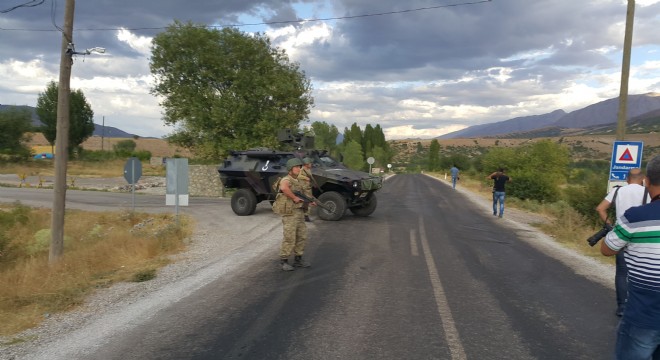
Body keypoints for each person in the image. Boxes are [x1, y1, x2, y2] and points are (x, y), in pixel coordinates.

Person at [601, 155, 660, 359]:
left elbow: (606, 249)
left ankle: (621, 305)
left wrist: (612, 227)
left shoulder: (636, 216)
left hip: (645, 316)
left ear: (648, 182)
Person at [595, 168, 650, 317]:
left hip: (622, 235)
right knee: (643, 271)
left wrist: (610, 226)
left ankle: (622, 307)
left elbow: (600, 209)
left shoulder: (618, 191)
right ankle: (640, 307)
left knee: (621, 273)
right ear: (643, 179)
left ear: (627, 179)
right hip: (642, 237)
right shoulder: (647, 192)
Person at [274, 158, 313, 271]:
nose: (298, 169)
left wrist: (310, 201)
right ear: (290, 169)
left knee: (302, 236)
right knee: (289, 237)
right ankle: (284, 260)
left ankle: (298, 259)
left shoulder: (298, 181)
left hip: (299, 212)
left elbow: (304, 194)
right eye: (295, 167)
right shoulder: (286, 179)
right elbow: (284, 188)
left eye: (299, 167)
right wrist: (294, 197)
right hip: (290, 213)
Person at [299, 157, 314, 222]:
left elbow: (311, 177)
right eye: (310, 163)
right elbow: (298, 176)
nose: (311, 164)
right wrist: (305, 178)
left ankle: (305, 215)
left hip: (307, 187)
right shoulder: (302, 169)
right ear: (306, 164)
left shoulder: (308, 169)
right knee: (308, 200)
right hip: (304, 187)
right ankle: (305, 216)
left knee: (307, 201)